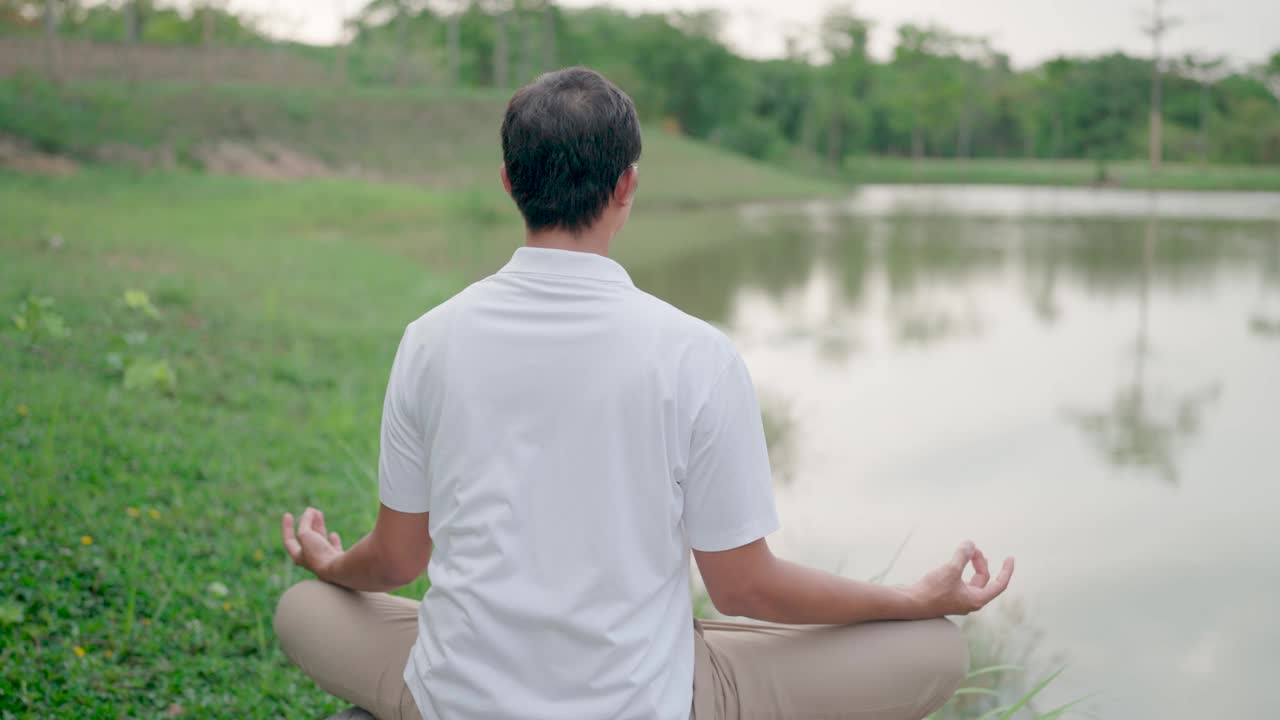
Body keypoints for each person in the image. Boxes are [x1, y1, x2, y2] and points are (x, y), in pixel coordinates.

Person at [274, 67, 1014, 720]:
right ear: (627, 184)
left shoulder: (429, 339)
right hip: (645, 702)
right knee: (935, 652)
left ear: (508, 180)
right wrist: (915, 601)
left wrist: (329, 564)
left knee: (304, 609)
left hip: (455, 699)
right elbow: (746, 589)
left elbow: (397, 562)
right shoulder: (694, 354)